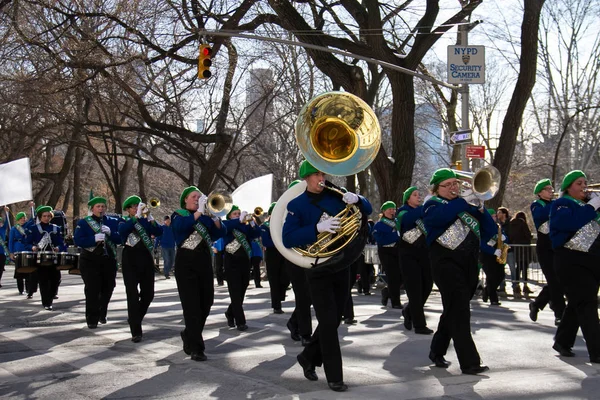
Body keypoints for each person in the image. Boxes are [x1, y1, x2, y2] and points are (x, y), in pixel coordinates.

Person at [282, 160, 372, 392]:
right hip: (318, 267)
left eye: (323, 173)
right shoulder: (297, 204)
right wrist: (316, 230)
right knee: (329, 322)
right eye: (316, 174)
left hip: (342, 263)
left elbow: (368, 210)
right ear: (306, 179)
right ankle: (335, 376)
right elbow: (287, 238)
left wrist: (358, 200)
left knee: (335, 318)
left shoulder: (336, 196)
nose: (321, 177)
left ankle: (308, 356)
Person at [423, 168, 497, 375]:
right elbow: (439, 219)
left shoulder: (464, 206)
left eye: (456, 183)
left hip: (469, 264)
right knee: (460, 310)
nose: (455, 187)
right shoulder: (432, 205)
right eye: (448, 185)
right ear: (436, 189)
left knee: (454, 309)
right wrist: (463, 201)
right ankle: (469, 361)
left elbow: (489, 230)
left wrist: (481, 209)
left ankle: (436, 350)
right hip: (445, 263)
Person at [550, 170, 600, 363]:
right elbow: (570, 223)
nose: (584, 187)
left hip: (592, 260)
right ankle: (597, 350)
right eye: (579, 183)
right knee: (587, 302)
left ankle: (562, 341)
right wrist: (592, 205)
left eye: (585, 183)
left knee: (577, 303)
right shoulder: (562, 204)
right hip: (571, 261)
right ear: (568, 187)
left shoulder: (589, 207)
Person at [173, 186, 226, 361]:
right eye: (194, 197)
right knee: (191, 306)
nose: (197, 199)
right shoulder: (179, 214)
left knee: (207, 302)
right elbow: (182, 227)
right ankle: (197, 348)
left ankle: (189, 333)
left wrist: (216, 216)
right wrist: (199, 212)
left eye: (199, 197)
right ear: (185, 200)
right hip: (185, 262)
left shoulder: (204, 217)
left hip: (203, 261)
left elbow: (220, 233)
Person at [118, 196, 163, 343]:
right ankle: (136, 331)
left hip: (145, 258)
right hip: (130, 258)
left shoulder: (145, 221)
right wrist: (135, 218)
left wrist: (150, 217)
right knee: (132, 293)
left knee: (148, 293)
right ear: (128, 209)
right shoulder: (124, 220)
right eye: (133, 207)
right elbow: (122, 232)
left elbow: (158, 231)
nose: (136, 208)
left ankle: (134, 318)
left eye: (138, 206)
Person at [73, 197, 123, 328]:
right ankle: (92, 318)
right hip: (90, 259)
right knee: (92, 289)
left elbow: (120, 239)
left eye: (103, 206)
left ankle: (102, 312)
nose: (101, 209)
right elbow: (78, 240)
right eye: (98, 207)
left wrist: (111, 233)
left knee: (109, 287)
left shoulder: (112, 221)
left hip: (108, 259)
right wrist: (92, 239)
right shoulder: (84, 223)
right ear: (92, 209)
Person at [396, 186, 433, 334]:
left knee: (427, 285)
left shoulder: (422, 212)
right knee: (415, 289)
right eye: (415, 195)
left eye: (419, 195)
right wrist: (427, 205)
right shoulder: (402, 211)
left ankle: (409, 310)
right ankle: (419, 324)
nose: (418, 197)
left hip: (424, 253)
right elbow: (408, 220)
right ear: (408, 199)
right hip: (408, 255)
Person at [529, 179, 565, 325]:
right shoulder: (536, 205)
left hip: (557, 246)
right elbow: (541, 215)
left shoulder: (556, 204)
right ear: (540, 192)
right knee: (554, 280)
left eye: (551, 188)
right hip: (544, 247)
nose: (551, 191)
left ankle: (537, 304)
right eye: (548, 189)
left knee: (559, 280)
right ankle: (559, 313)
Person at [222, 205, 261, 331]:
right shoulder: (226, 224)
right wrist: (238, 221)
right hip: (231, 261)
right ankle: (240, 321)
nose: (238, 215)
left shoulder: (245, 226)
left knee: (242, 290)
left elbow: (256, 234)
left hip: (244, 261)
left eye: (239, 213)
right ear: (229, 216)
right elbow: (225, 227)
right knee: (235, 291)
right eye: (235, 214)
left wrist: (253, 224)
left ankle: (230, 312)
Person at [284, 180, 313, 346]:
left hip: (310, 255)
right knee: (302, 295)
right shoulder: (287, 210)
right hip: (293, 256)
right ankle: (305, 333)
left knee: (310, 295)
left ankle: (294, 322)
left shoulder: (308, 207)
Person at [24, 205, 67, 311]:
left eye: (48, 216)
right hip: (40, 258)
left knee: (56, 279)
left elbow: (62, 244)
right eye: (44, 216)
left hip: (53, 257)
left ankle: (51, 296)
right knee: (43, 280)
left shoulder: (55, 228)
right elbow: (27, 243)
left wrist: (58, 248)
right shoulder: (34, 229)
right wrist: (32, 247)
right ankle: (46, 303)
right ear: (40, 217)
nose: (47, 218)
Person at [260, 202, 290, 314]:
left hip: (284, 253)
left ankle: (281, 295)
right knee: (274, 280)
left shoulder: (285, 224)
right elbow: (267, 242)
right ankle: (276, 305)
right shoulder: (264, 226)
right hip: (272, 254)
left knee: (286, 277)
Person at [373, 201, 403, 309]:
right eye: (389, 209)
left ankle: (387, 292)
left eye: (393, 209)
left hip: (397, 251)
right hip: (386, 252)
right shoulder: (380, 224)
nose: (392, 211)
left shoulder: (398, 222)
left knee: (401, 276)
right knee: (393, 276)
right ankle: (396, 302)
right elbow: (380, 239)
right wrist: (395, 236)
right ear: (384, 211)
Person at [480, 209, 505, 306]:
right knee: (491, 276)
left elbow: (503, 235)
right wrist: (492, 251)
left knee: (501, 275)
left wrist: (504, 237)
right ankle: (493, 298)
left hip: (498, 253)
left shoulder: (497, 226)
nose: (495, 217)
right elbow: (481, 243)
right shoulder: (483, 227)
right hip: (487, 255)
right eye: (493, 216)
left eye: (495, 215)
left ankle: (486, 290)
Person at [509, 211, 533, 294]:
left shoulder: (511, 224)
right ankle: (525, 285)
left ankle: (516, 284)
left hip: (516, 247)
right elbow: (528, 235)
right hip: (524, 248)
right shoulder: (523, 223)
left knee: (518, 266)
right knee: (524, 266)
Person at [8, 210, 32, 294]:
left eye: (24, 218)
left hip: (27, 249)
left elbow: (34, 218)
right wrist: (11, 252)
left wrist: (32, 207)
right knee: (19, 270)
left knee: (29, 269)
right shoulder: (14, 229)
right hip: (17, 249)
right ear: (18, 220)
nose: (23, 219)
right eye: (21, 218)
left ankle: (29, 289)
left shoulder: (28, 226)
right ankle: (20, 289)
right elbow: (10, 241)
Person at [0, 215, 8, 288]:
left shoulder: (2, 229)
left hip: (2, 252)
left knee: (1, 268)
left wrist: (6, 213)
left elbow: (7, 223)